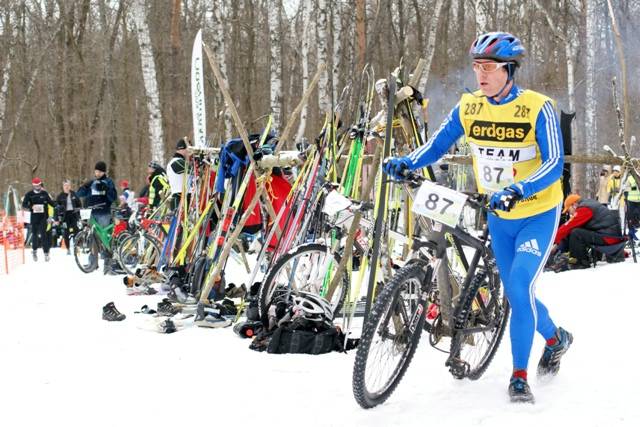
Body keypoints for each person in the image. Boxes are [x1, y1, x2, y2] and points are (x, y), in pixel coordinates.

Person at [384, 32, 572, 403]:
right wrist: (408, 161)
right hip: (498, 215)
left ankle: (519, 376)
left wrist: (521, 189)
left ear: (509, 70)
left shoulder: (538, 107)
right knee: (519, 293)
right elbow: (437, 145)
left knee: (518, 286)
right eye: (476, 67)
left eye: (488, 67)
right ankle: (556, 338)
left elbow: (553, 165)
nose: (480, 74)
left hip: (536, 213)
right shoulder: (469, 107)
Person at [553, 194, 624, 268]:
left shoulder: (584, 209)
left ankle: (580, 262)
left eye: (568, 210)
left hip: (609, 238)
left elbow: (568, 226)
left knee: (576, 233)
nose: (570, 213)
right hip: (610, 235)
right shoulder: (588, 204)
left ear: (574, 205)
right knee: (577, 230)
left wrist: (554, 241)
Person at [76, 161, 118, 273]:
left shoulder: (108, 182)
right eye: (96, 171)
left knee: (105, 239)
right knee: (92, 238)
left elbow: (113, 197)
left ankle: (108, 264)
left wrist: (106, 188)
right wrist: (84, 186)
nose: (97, 173)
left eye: (100, 171)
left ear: (104, 172)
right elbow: (79, 194)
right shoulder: (92, 182)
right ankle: (92, 262)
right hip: (91, 214)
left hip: (104, 213)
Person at [22, 177, 54, 261]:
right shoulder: (29, 194)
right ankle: (34, 251)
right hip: (34, 217)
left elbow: (51, 203)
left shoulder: (44, 193)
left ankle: (46, 253)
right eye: (35, 186)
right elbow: (24, 204)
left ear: (40, 184)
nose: (37, 187)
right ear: (33, 185)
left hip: (43, 217)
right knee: (35, 235)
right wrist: (30, 206)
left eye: (38, 185)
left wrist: (58, 205)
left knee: (44, 235)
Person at [55, 179, 81, 255]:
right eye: (65, 185)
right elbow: (56, 208)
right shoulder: (60, 196)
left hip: (74, 215)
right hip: (65, 217)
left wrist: (80, 215)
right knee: (66, 232)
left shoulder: (74, 194)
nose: (66, 187)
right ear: (63, 187)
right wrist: (57, 218)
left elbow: (79, 205)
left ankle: (76, 247)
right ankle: (68, 248)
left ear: (70, 186)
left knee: (76, 231)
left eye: (68, 185)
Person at [166, 137, 191, 211]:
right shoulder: (176, 161)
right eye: (188, 150)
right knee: (180, 221)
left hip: (186, 196)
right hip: (179, 197)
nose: (189, 152)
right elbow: (191, 168)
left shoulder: (179, 161)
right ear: (182, 149)